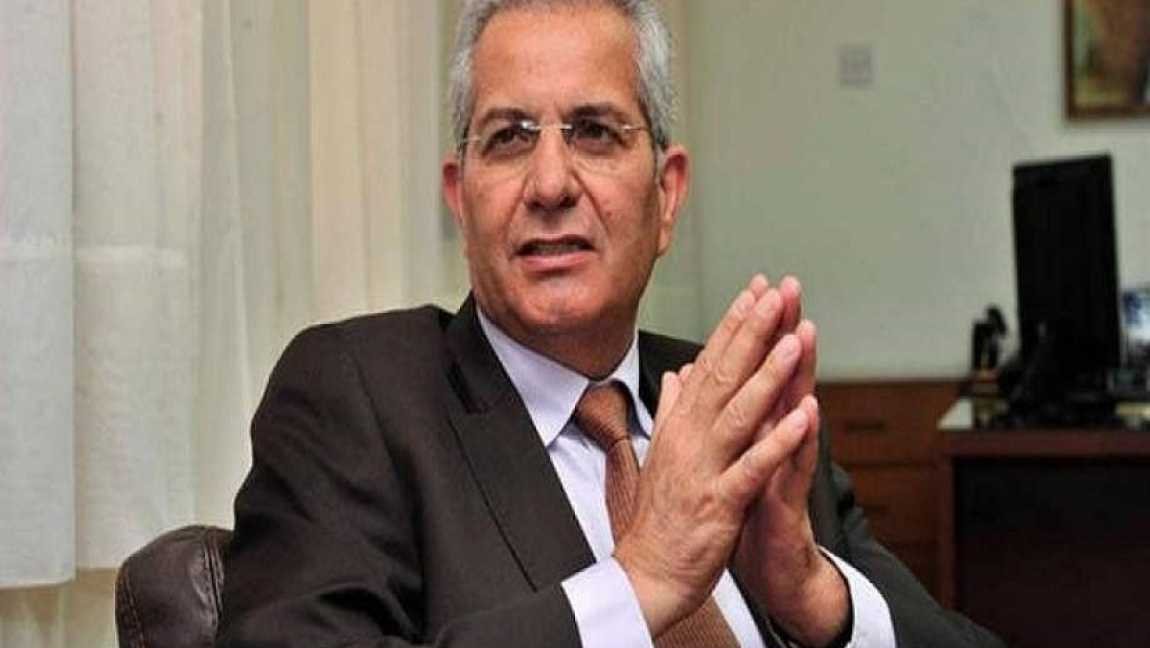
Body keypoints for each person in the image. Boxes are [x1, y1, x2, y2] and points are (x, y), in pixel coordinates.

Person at [217, 1, 1004, 646]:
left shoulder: (735, 416)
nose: (550, 184)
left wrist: (812, 593)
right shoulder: (358, 396)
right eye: (509, 138)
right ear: (461, 197)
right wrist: (643, 580)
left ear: (667, 194)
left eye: (594, 131)